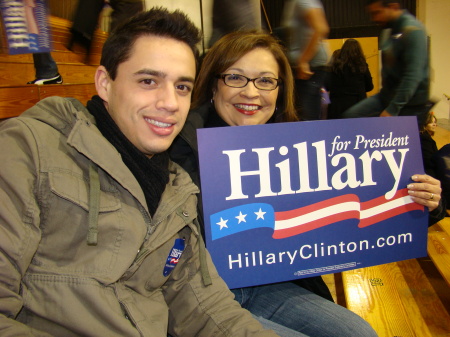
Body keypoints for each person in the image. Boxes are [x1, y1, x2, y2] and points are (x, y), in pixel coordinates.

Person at [0, 8, 295, 336]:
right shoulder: (29, 148)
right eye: (148, 81)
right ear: (105, 83)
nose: (170, 102)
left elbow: (204, 304)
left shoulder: (177, 189)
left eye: (182, 87)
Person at [170, 30, 382, 337]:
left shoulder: (291, 142)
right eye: (235, 77)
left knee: (361, 334)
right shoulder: (180, 143)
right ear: (214, 83)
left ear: (280, 90)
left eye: (265, 81)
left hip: (270, 284)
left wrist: (419, 196)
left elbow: (358, 197)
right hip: (205, 293)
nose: (251, 93)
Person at [343, 0, 430, 127]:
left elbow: (412, 76)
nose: (374, 19)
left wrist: (392, 109)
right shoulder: (387, 32)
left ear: (393, 7)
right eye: (372, 14)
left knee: (401, 141)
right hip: (386, 97)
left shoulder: (413, 31)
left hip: (411, 105)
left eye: (377, 13)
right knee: (350, 118)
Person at [283, 0, 329, 120]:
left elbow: (321, 28)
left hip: (310, 68)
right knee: (301, 115)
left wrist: (303, 61)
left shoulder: (303, 1)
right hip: (304, 68)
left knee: (306, 117)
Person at [324, 39, 374, 119]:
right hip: (357, 105)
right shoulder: (362, 66)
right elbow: (370, 86)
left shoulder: (335, 66)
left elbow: (327, 85)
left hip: (337, 107)